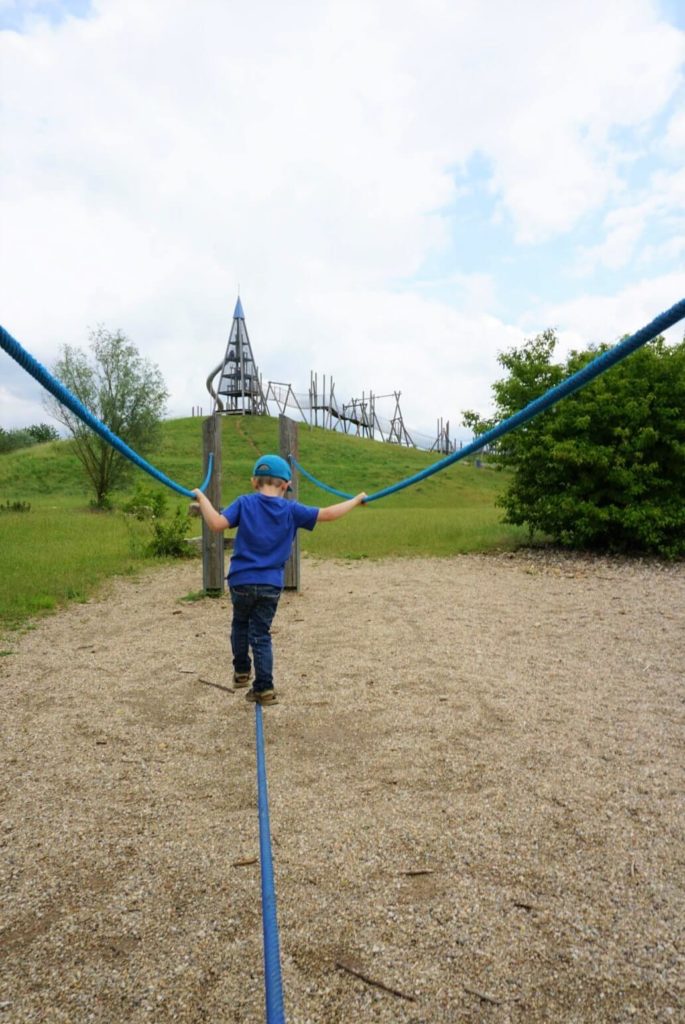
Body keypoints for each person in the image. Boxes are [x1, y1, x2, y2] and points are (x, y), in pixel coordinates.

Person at [192, 453, 365, 706]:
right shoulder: (291, 508)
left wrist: (201, 496)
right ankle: (264, 688)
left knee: (240, 624)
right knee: (260, 633)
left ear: (254, 482)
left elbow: (217, 524)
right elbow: (328, 514)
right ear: (285, 485)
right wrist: (356, 500)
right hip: (271, 584)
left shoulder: (244, 502)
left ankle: (241, 672)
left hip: (240, 581)